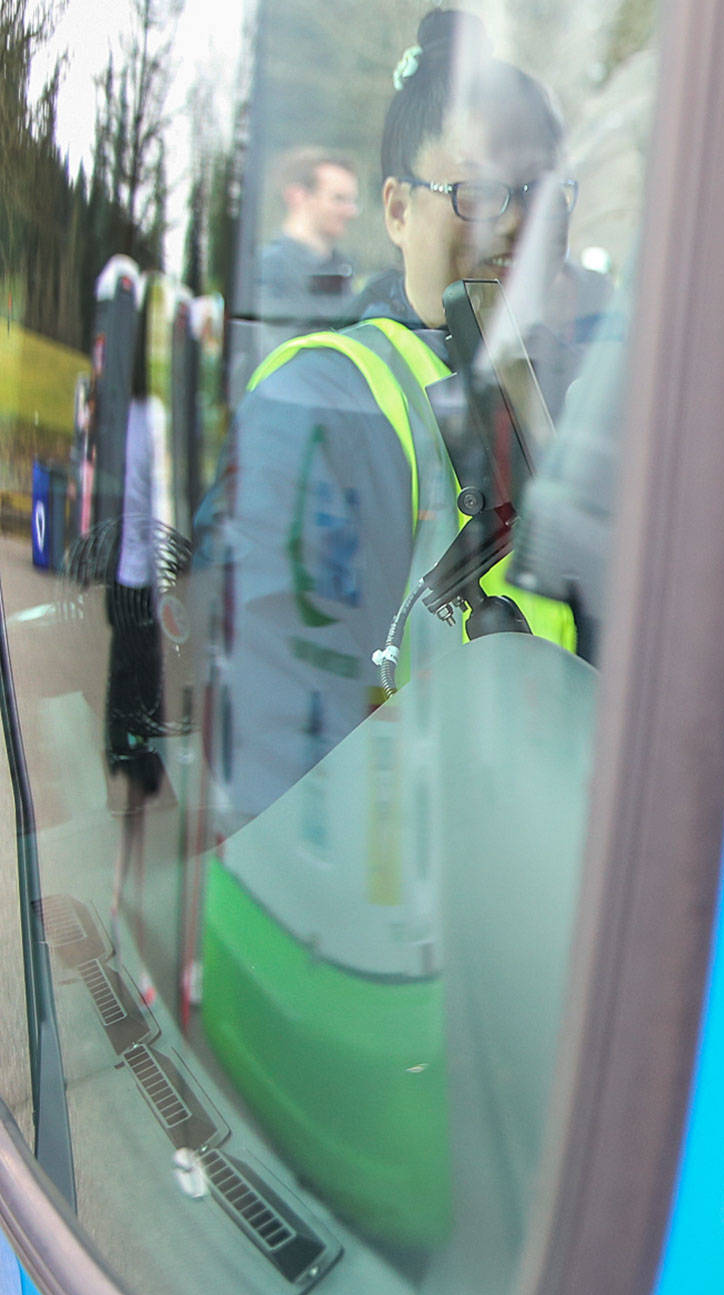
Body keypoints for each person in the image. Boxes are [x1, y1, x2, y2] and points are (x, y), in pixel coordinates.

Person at [196, 8, 579, 829]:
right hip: (408, 920)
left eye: (544, 196)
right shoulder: (330, 405)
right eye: (477, 191)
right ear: (398, 209)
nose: (516, 222)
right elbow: (280, 783)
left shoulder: (538, 398)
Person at [256, 148, 361, 333]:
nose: (351, 211)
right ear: (297, 196)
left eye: (352, 201)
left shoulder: (342, 270)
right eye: (339, 199)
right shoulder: (268, 270)